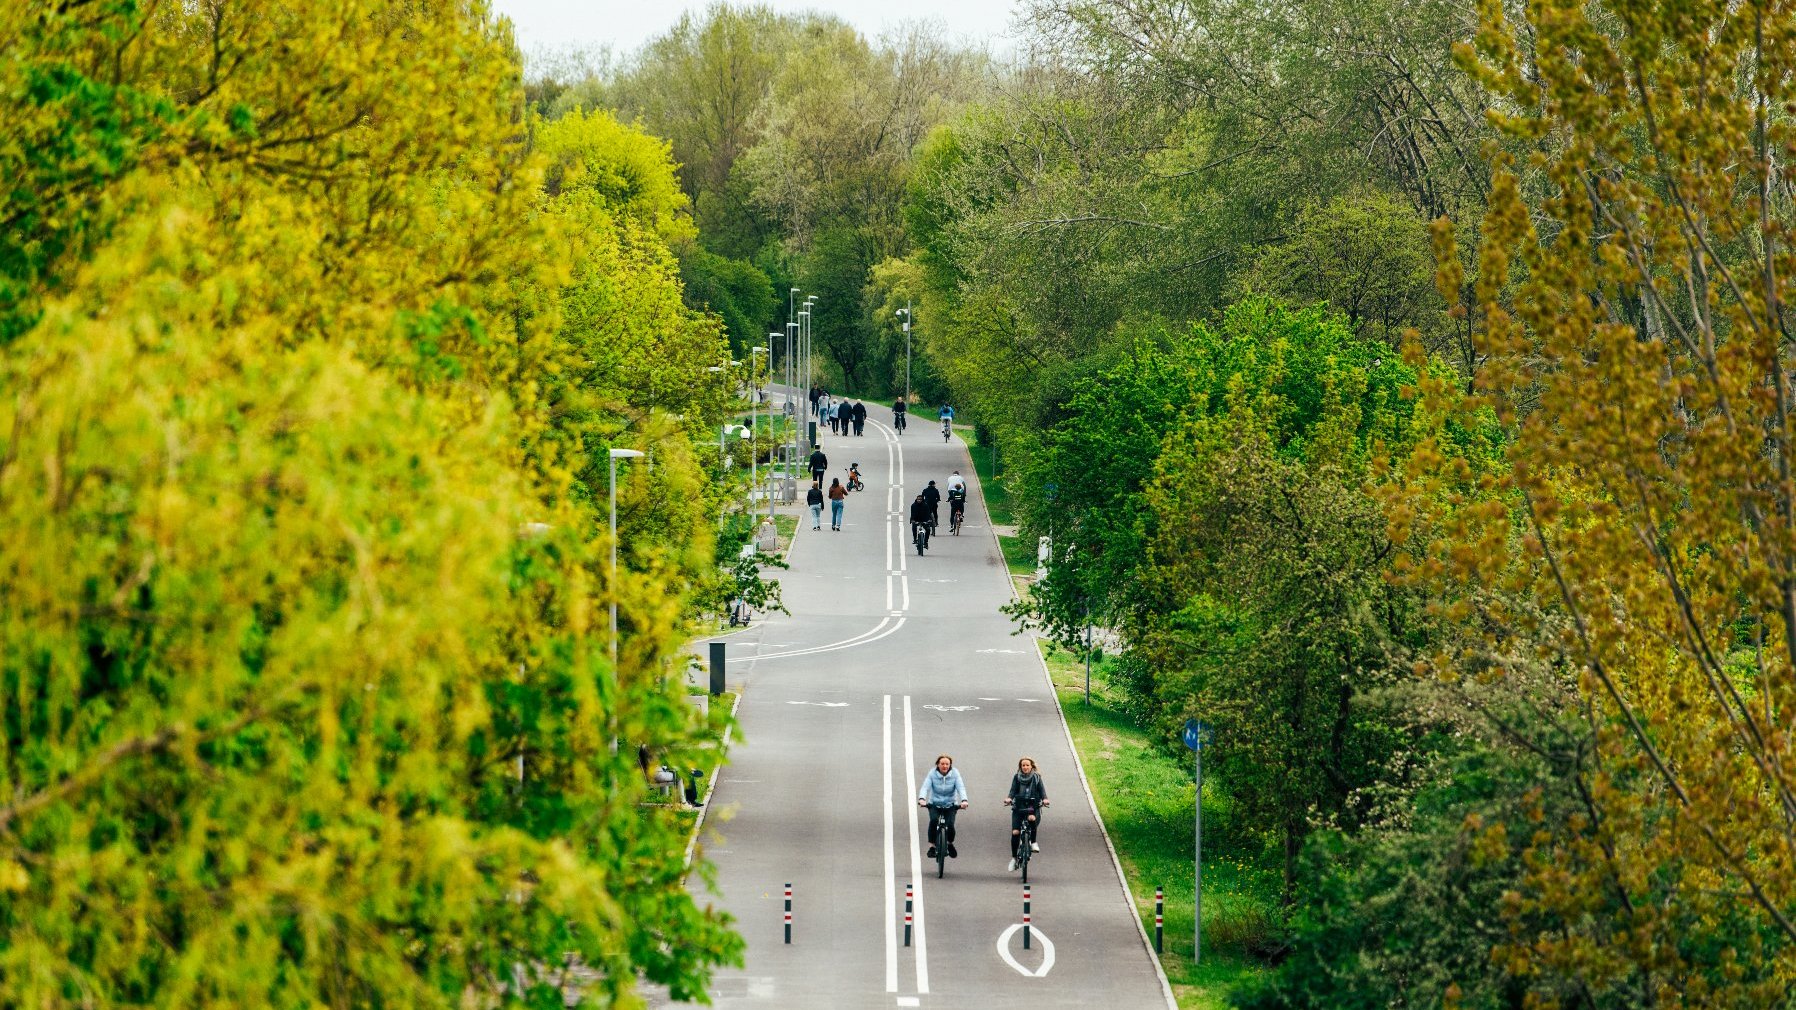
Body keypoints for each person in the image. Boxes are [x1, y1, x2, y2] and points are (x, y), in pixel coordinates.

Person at [917, 754, 969, 860]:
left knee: (950, 825)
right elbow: (925, 787)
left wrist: (964, 800)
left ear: (950, 765)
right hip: (935, 804)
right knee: (933, 820)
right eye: (942, 764)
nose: (945, 766)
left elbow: (961, 787)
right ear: (938, 764)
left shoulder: (955, 774)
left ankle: (950, 844)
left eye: (947, 764)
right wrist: (922, 799)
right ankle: (932, 846)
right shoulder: (932, 773)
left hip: (950, 804)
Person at [1004, 756, 1050, 871]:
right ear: (1020, 767)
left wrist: (1045, 799)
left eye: (1027, 765)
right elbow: (1013, 790)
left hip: (1032, 805)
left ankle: (1033, 842)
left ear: (1031, 766)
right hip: (1018, 806)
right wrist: (1009, 798)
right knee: (1015, 832)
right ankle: (1014, 859)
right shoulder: (1016, 777)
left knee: (1031, 818)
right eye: (1023, 765)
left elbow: (1042, 791)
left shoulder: (1036, 777)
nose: (1025, 767)